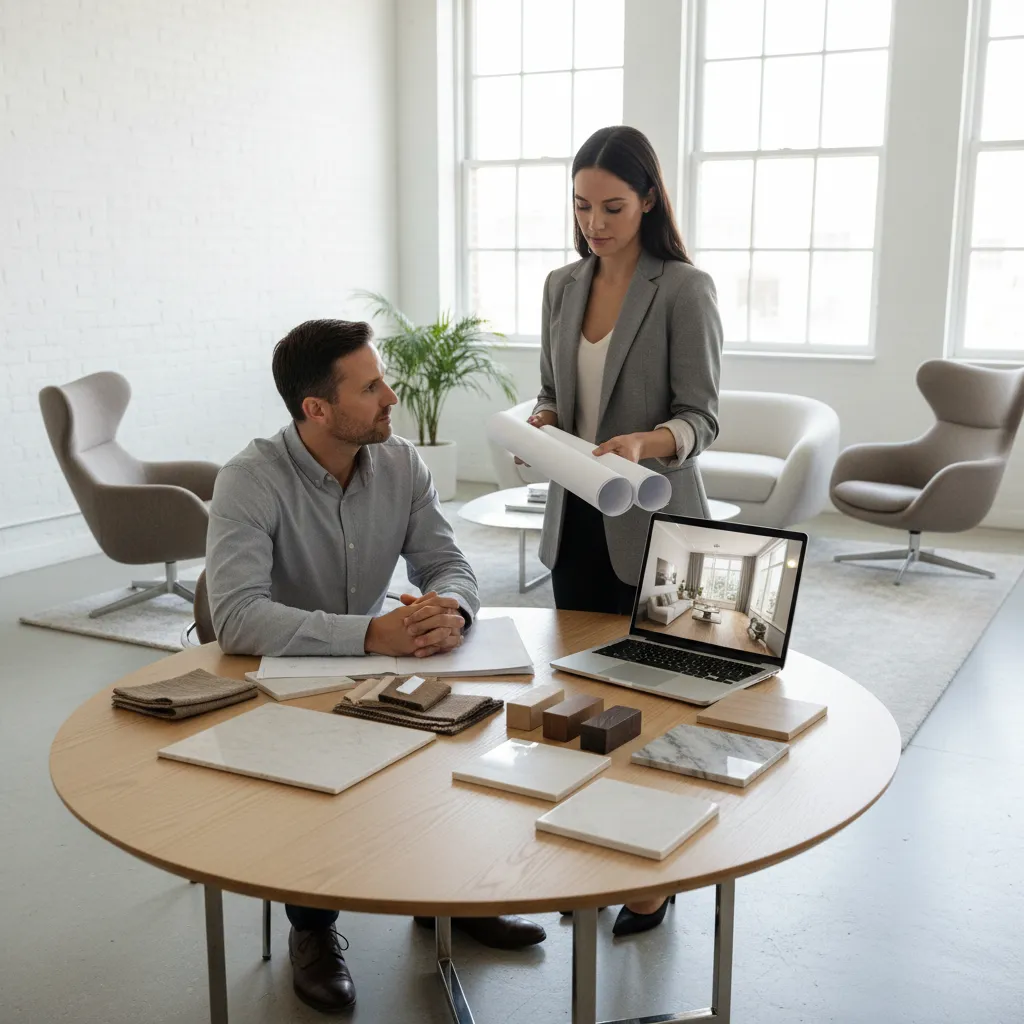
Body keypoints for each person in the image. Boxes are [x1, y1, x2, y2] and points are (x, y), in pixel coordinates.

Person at [206, 319, 546, 1015]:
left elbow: (445, 561)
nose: (391, 395)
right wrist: (374, 635)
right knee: (311, 772)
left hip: (376, 660)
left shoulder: (401, 463)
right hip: (276, 676)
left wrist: (451, 607)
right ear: (316, 409)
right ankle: (314, 931)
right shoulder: (249, 479)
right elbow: (237, 618)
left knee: (466, 730)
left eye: (383, 377)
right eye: (371, 387)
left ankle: (443, 900)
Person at [530, 126, 723, 936]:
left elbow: (703, 419)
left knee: (656, 704)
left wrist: (649, 441)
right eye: (581, 207)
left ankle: (653, 874)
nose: (595, 224)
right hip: (577, 518)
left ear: (648, 199)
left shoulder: (683, 288)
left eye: (612, 206)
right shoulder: (558, 286)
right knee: (583, 700)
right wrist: (541, 417)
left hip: (653, 523)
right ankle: (591, 855)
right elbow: (552, 389)